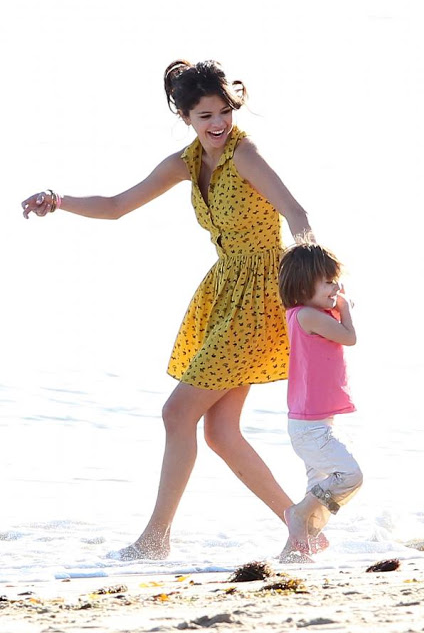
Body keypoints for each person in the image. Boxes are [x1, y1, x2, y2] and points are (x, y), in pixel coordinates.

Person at [22, 59, 314, 561]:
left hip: (264, 295)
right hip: (227, 294)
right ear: (185, 117)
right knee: (220, 432)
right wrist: (59, 199)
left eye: (224, 111)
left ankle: (155, 541)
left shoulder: (245, 154)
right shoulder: (184, 163)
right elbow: (116, 205)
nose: (219, 123)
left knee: (177, 412)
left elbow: (297, 213)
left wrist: (315, 280)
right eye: (205, 116)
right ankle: (303, 530)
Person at [277, 241, 363, 559]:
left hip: (314, 424)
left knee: (321, 490)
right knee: (350, 477)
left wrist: (335, 301)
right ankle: (298, 514)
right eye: (328, 282)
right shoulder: (307, 316)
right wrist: (345, 309)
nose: (336, 288)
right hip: (312, 429)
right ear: (303, 286)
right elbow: (349, 337)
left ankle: (294, 553)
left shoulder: (307, 314)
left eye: (336, 280)